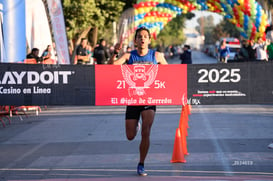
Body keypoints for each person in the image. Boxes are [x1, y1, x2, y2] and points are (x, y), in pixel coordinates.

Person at [109, 26, 168, 176]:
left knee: (146, 132)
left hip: (149, 99)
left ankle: (141, 163)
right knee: (130, 136)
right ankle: (136, 125)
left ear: (149, 39)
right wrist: (114, 53)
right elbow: (110, 68)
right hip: (132, 99)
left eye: (145, 36)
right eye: (139, 36)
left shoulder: (157, 56)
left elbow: (171, 74)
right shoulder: (129, 56)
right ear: (135, 40)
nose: (142, 39)